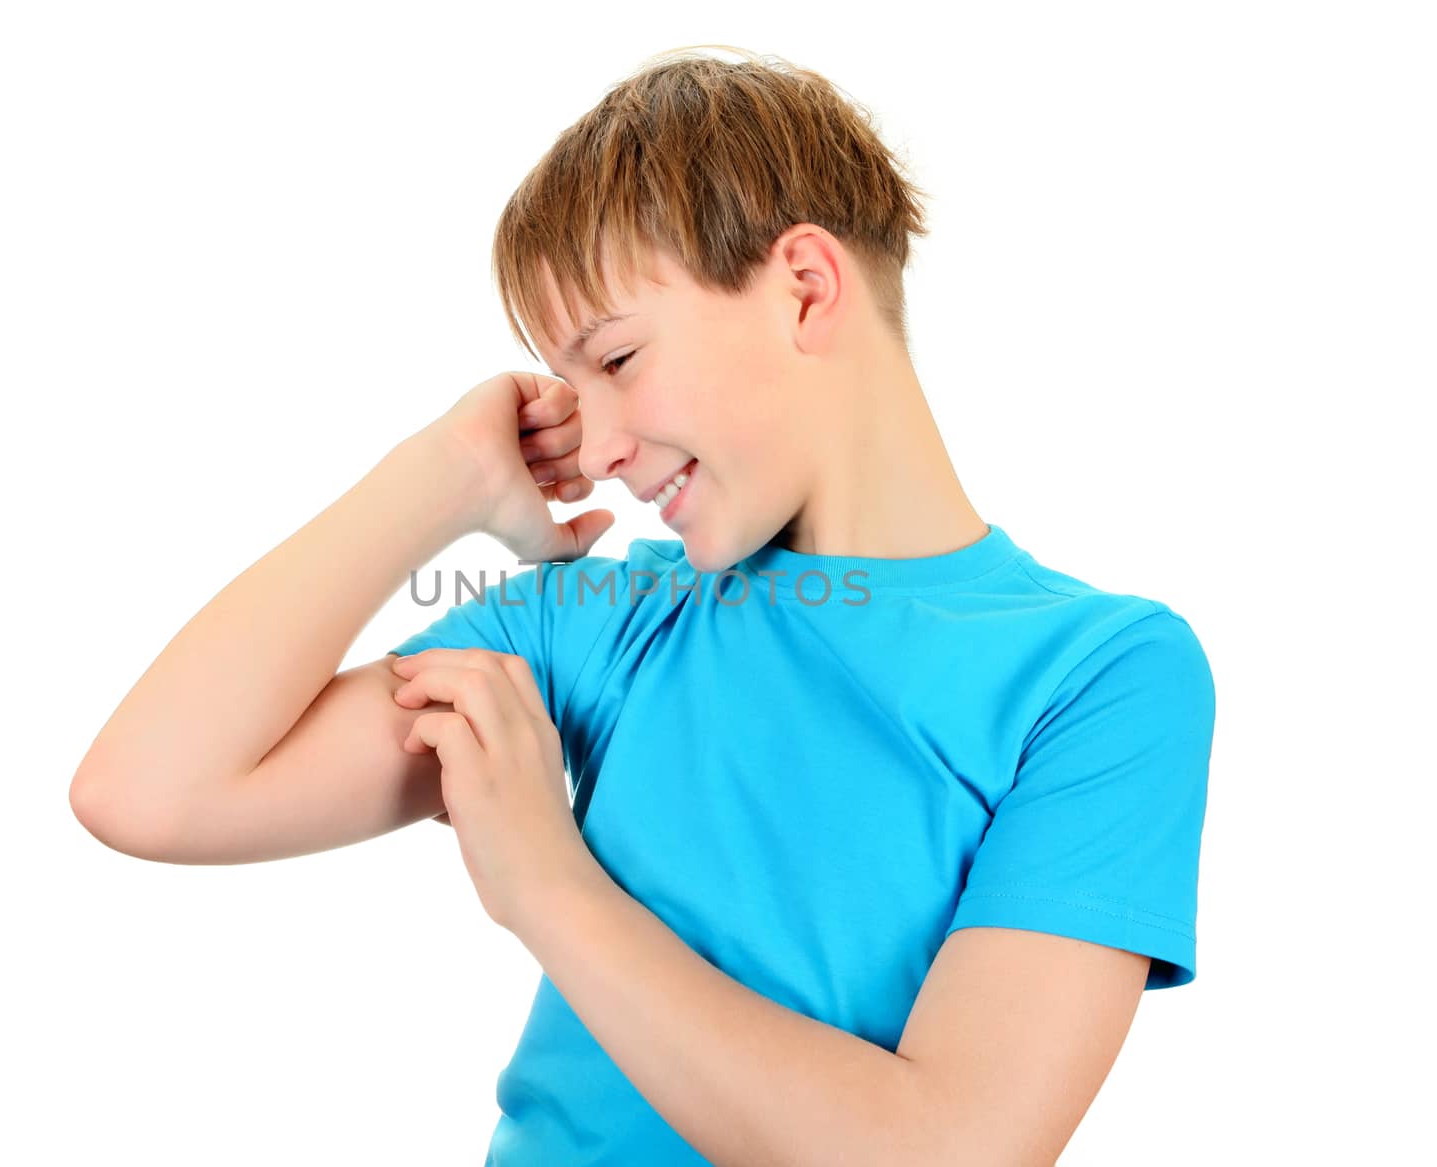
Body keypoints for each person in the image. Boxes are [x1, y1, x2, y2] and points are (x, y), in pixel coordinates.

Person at [72, 46, 1216, 1167]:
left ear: (806, 289)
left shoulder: (1099, 673)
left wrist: (546, 885)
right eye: (567, 389)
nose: (600, 446)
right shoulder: (595, 621)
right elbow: (150, 794)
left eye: (615, 360)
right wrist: (440, 480)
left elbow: (947, 1152)